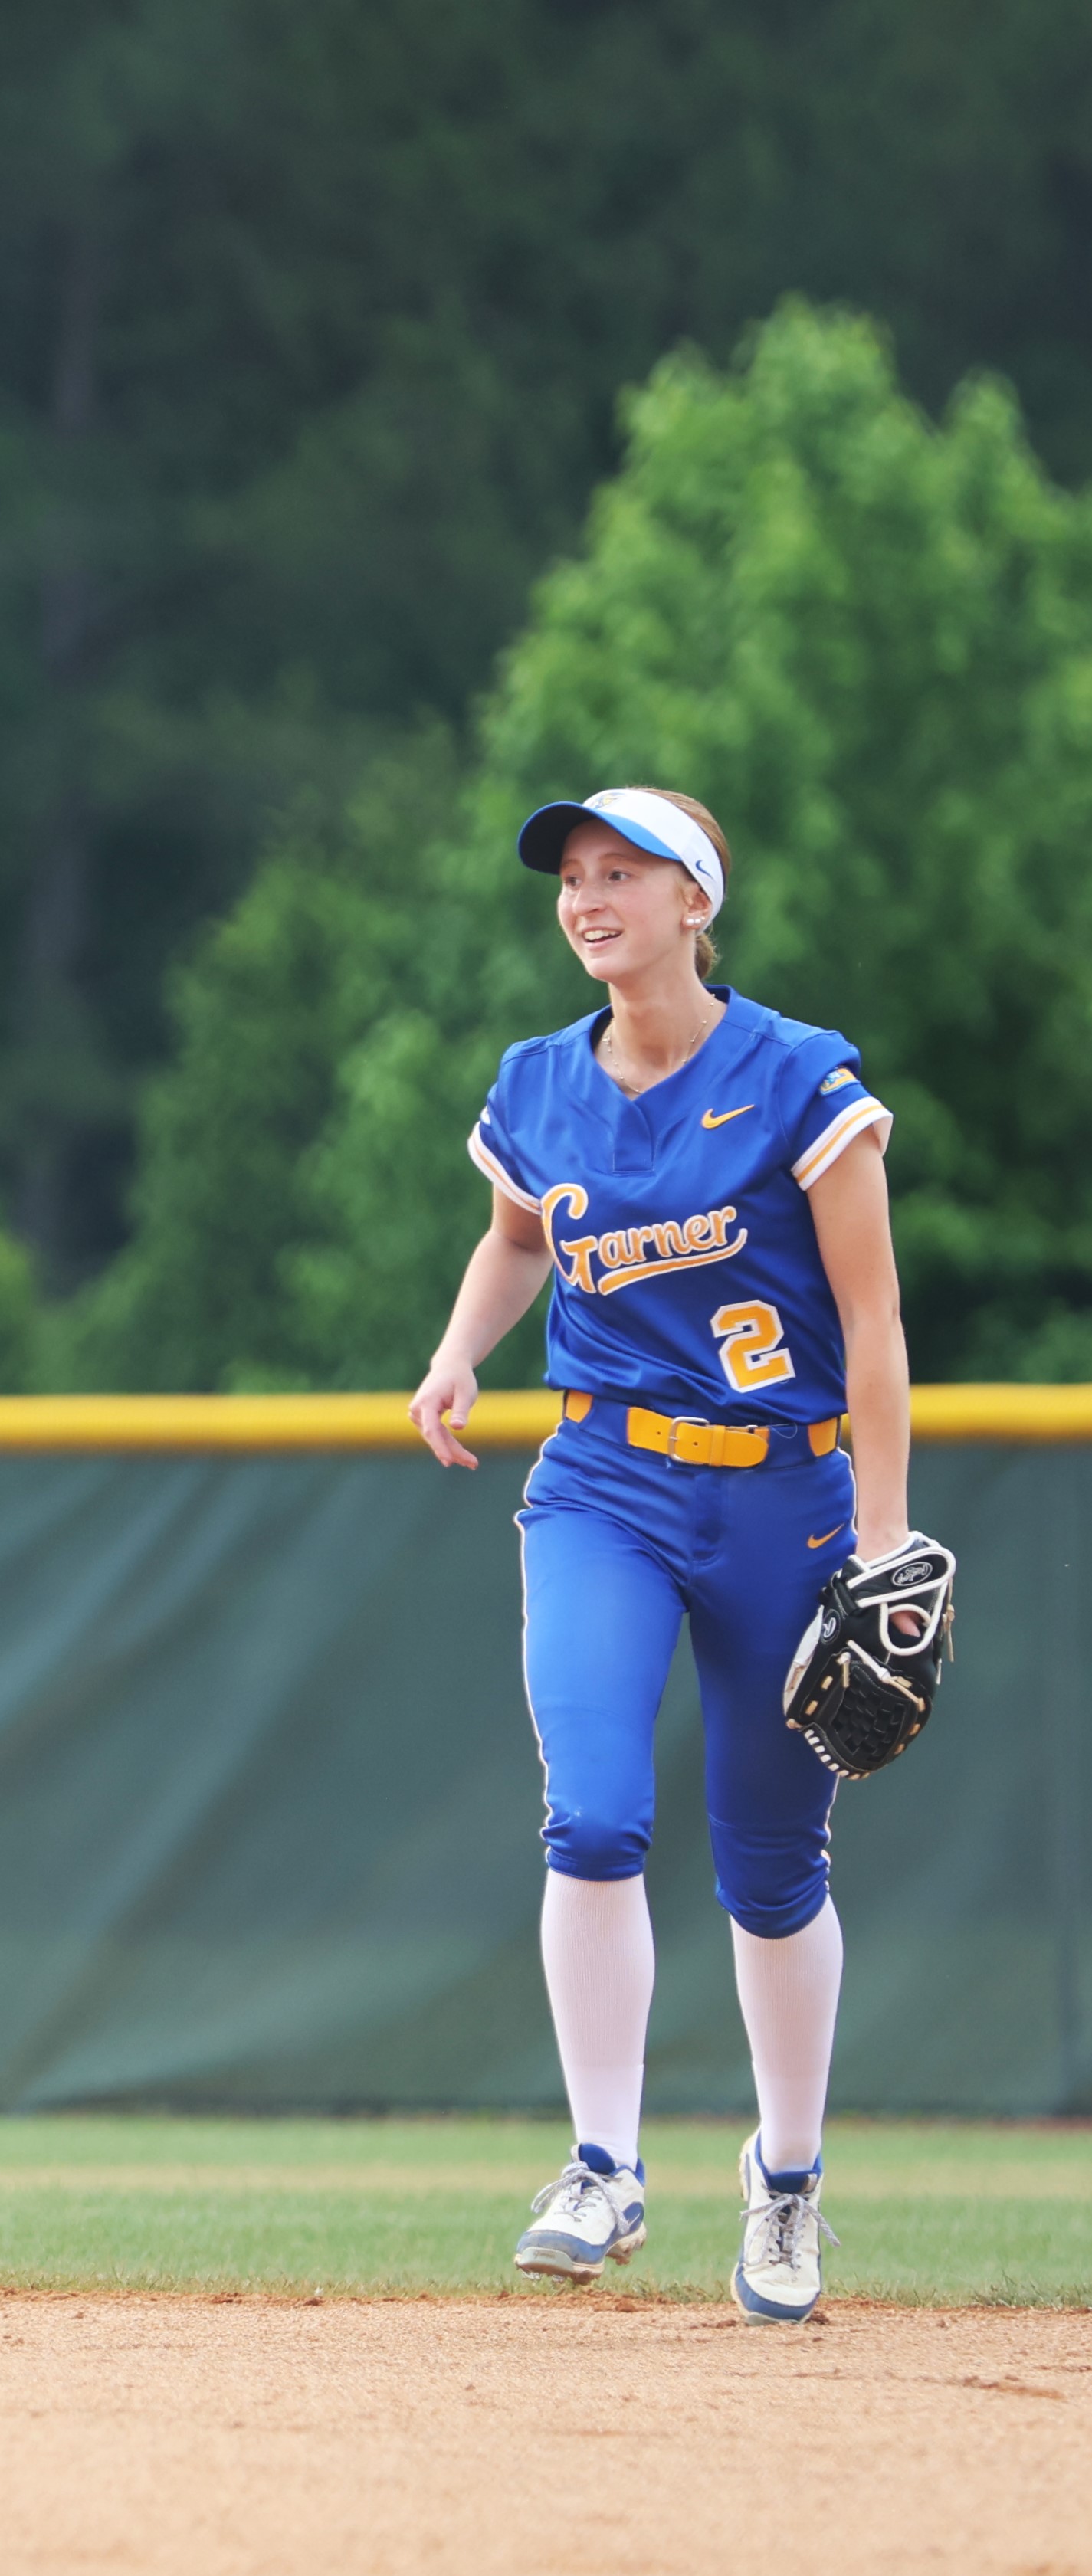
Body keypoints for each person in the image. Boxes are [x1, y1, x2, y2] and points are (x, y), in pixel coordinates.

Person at [405, 786, 922, 2324]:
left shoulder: (795, 1075)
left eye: (620, 869)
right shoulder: (534, 1083)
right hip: (602, 1483)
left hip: (782, 1495)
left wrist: (881, 1538)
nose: (586, 895)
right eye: (571, 873)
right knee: (590, 1813)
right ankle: (601, 2162)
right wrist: (456, 1351)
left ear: (695, 899)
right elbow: (517, 1234)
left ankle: (786, 2177)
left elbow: (874, 1317)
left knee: (769, 1866)